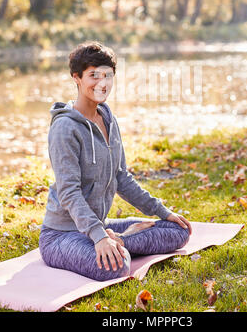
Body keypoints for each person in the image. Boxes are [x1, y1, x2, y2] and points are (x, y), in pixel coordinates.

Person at [39, 41, 192, 281]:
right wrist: (99, 237)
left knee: (177, 230)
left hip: (99, 225)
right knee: (116, 266)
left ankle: (118, 240)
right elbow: (69, 192)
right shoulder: (65, 128)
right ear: (76, 77)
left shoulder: (108, 118)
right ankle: (113, 243)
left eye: (107, 76)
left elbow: (122, 178)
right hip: (62, 235)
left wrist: (162, 211)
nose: (102, 83)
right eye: (93, 75)